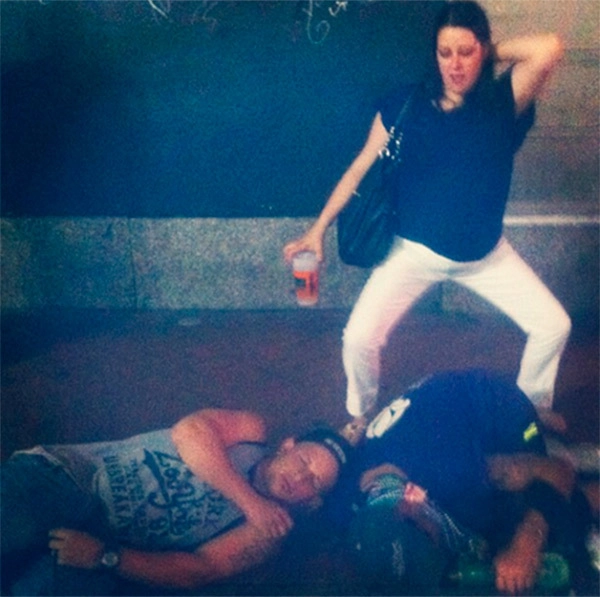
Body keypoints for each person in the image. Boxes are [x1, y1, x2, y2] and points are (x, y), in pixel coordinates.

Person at [283, 0, 571, 437]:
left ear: (483, 50)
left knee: (553, 326)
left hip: (487, 258)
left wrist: (489, 53)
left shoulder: (502, 101)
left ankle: (530, 411)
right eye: (445, 52)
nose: (455, 64)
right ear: (433, 55)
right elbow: (359, 167)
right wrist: (317, 230)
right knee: (358, 338)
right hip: (412, 254)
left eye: (466, 52)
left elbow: (549, 47)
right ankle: (359, 416)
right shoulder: (407, 104)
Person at [1, 408, 352, 595]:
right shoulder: (251, 432)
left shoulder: (267, 534)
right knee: (16, 525)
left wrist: (104, 556)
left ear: (312, 502)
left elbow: (199, 570)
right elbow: (190, 433)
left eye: (314, 482)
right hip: (67, 477)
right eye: (305, 461)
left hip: (105, 543)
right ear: (288, 445)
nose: (300, 477)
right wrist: (250, 502)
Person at [329, 369, 598, 595]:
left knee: (548, 518)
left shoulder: (451, 471)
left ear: (413, 502)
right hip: (439, 422)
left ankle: (561, 445)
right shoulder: (352, 508)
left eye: (428, 539)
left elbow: (557, 472)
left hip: (496, 407)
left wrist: (527, 541)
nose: (434, 547)